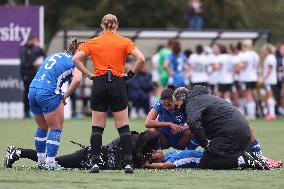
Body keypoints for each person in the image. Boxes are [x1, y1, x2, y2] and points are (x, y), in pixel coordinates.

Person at [72, 14, 145, 173]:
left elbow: (76, 58)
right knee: (123, 127)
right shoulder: (124, 41)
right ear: (116, 26)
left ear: (102, 26)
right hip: (118, 83)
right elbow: (141, 59)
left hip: (99, 83)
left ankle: (95, 163)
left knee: (97, 127)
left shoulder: (94, 41)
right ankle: (127, 163)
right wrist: (130, 75)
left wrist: (88, 74)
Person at [172, 85, 265, 170]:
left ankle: (242, 160)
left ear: (182, 99)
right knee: (218, 156)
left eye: (177, 105)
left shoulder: (192, 102)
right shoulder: (206, 98)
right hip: (241, 131)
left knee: (206, 163)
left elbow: (193, 123)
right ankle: (248, 156)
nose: (176, 108)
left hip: (230, 134)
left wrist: (205, 144)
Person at [28, 38, 83, 170]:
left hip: (33, 89)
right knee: (56, 128)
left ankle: (41, 161)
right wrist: (65, 96)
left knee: (42, 127)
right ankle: (51, 163)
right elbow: (77, 80)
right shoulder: (75, 61)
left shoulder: (56, 55)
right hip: (48, 92)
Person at [4, 130, 159, 170]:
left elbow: (109, 145)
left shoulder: (131, 138)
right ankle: (18, 152)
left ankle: (18, 152)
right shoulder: (133, 148)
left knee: (54, 163)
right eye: (152, 148)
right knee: (53, 163)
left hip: (91, 156)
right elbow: (142, 163)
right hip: (86, 157)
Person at [145, 85, 198, 150]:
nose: (166, 108)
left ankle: (187, 154)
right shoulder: (159, 103)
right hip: (164, 138)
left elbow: (197, 123)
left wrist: (182, 128)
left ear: (175, 100)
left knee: (196, 131)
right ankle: (157, 155)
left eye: (169, 105)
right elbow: (147, 123)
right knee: (152, 131)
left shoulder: (184, 105)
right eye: (164, 106)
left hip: (180, 139)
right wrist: (170, 124)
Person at [19, 35, 42, 118]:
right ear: (31, 40)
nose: (36, 43)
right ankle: (26, 112)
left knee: (34, 93)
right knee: (27, 93)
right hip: (26, 74)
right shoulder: (23, 49)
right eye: (35, 41)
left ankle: (33, 111)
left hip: (33, 75)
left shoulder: (34, 49)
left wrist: (38, 47)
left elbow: (41, 53)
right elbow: (24, 63)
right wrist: (33, 64)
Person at [261, 44, 278, 120]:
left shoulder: (270, 57)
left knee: (270, 97)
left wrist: (264, 78)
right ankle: (270, 113)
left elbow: (270, 69)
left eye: (263, 50)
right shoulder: (270, 57)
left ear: (267, 50)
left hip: (270, 80)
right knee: (268, 97)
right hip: (271, 80)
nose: (262, 51)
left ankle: (272, 114)